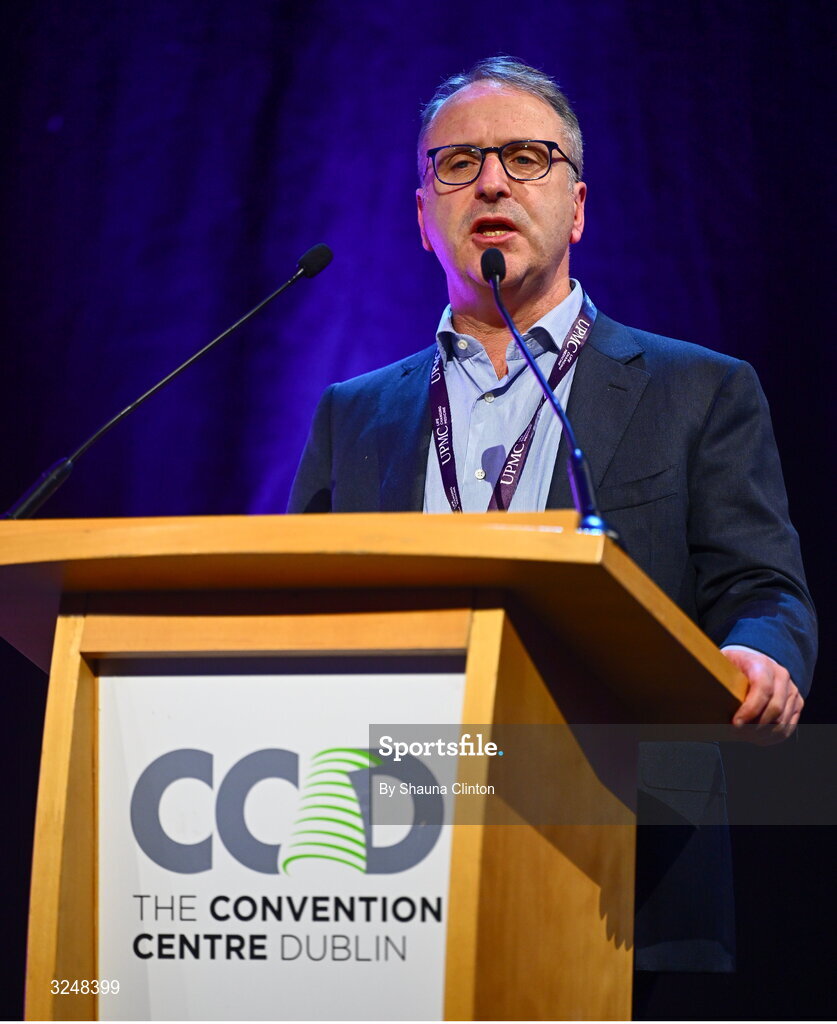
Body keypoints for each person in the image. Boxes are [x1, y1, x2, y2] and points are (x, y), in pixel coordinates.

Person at [288, 56, 817, 975]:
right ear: (423, 217)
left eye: (526, 157)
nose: (491, 180)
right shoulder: (353, 412)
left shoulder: (700, 390)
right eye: (456, 164)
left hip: (628, 856)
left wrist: (757, 656)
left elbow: (761, 587)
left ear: (576, 206)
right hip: (392, 859)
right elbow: (296, 611)